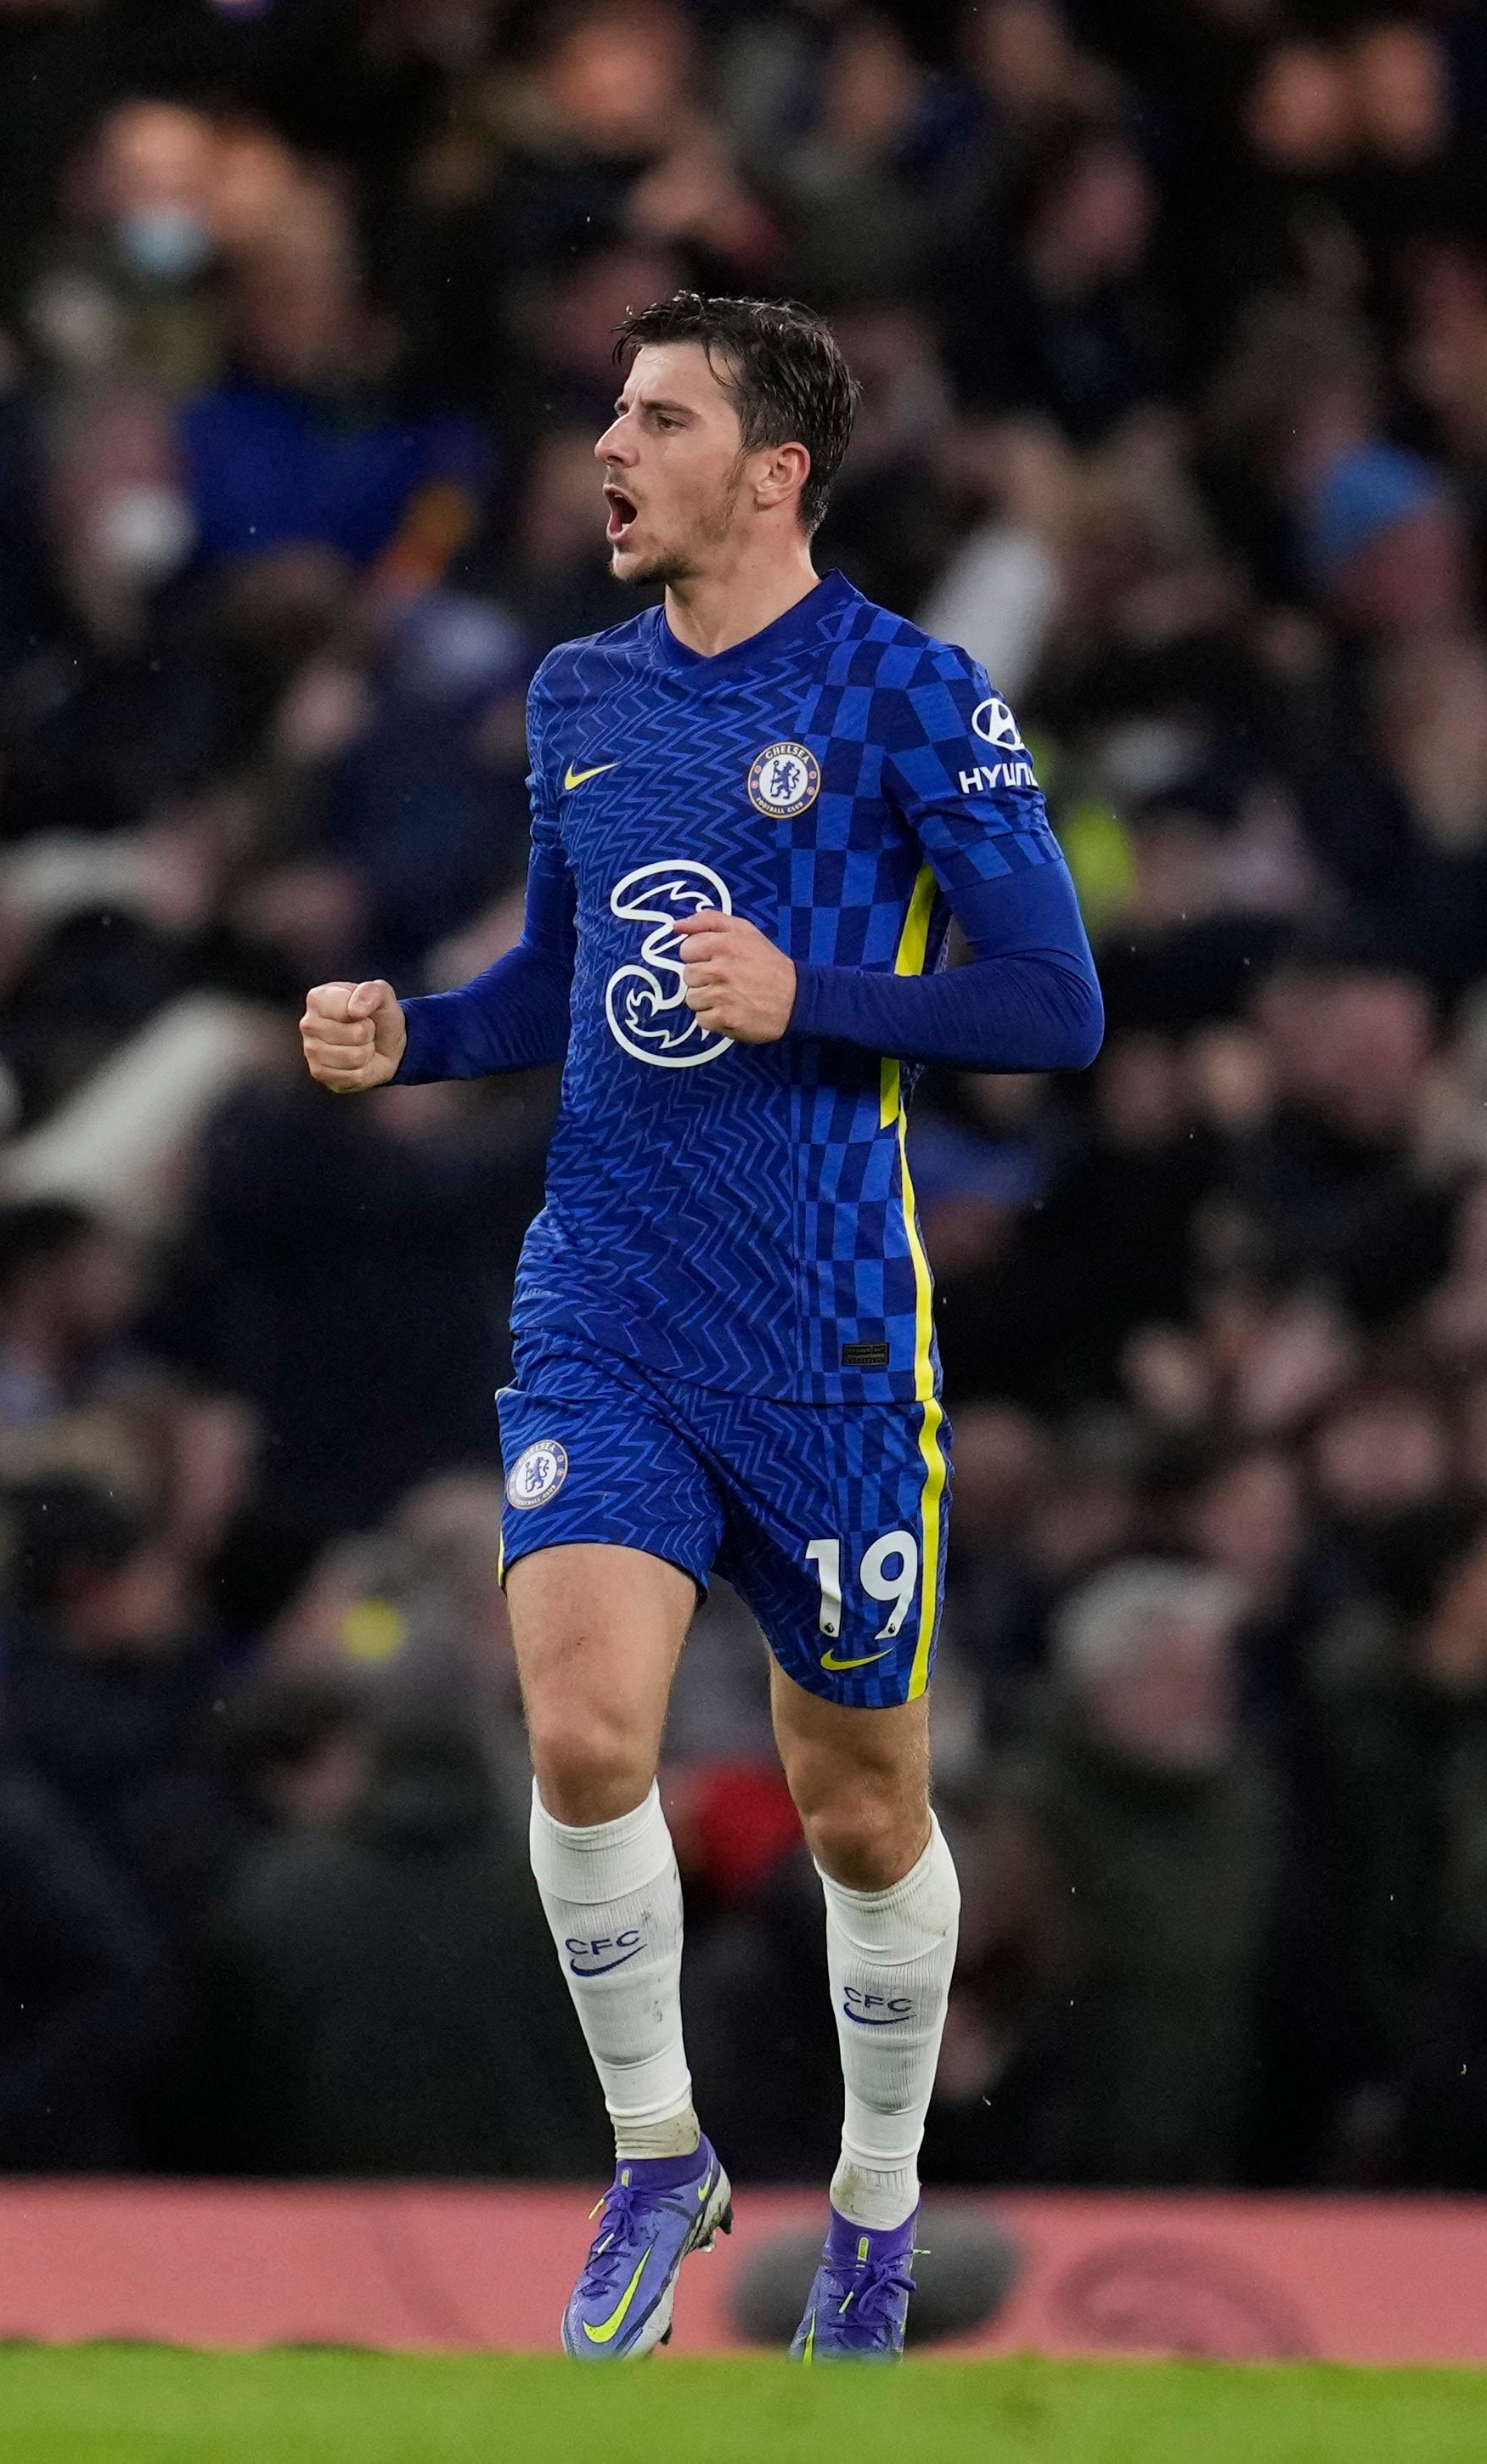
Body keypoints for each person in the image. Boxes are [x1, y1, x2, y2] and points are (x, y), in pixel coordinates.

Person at [296, 295, 1101, 2360]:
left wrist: (812, 994)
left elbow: (1050, 1003)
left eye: (657, 416)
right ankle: (659, 2152)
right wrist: (413, 1036)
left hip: (826, 1333)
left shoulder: (915, 698)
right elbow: (562, 987)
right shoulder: (579, 695)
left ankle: (874, 2212)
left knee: (857, 1806)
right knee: (578, 1731)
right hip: (607, 1300)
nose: (607, 447)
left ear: (773, 472)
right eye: (608, 409)